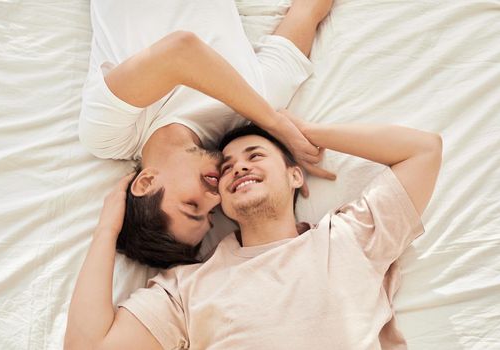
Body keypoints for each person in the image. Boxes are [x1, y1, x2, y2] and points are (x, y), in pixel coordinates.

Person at [65, 112, 443, 349]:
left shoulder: (351, 237)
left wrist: (304, 132)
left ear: (296, 175)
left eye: (255, 156)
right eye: (226, 168)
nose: (238, 168)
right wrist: (106, 230)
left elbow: (423, 150)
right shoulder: (187, 288)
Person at [79, 0, 335, 268]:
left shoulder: (110, 136)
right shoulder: (254, 105)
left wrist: (273, 122)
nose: (215, 197)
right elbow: (309, 9)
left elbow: (179, 50)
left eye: (192, 206)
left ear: (146, 183)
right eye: (210, 212)